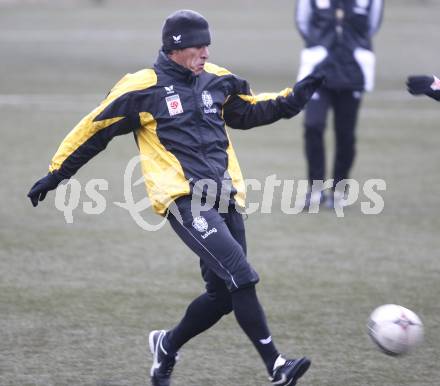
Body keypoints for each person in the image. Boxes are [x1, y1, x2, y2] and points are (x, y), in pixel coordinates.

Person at [27, 10, 324, 386]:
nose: (205, 52)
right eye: (198, 46)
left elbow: (249, 112)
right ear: (176, 48)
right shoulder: (142, 87)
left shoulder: (217, 80)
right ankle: (277, 366)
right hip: (184, 201)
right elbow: (94, 129)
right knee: (241, 275)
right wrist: (56, 174)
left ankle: (166, 346)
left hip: (225, 197)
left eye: (207, 45)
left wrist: (293, 98)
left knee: (223, 296)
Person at [295, 0, 384, 208]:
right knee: (312, 125)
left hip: (353, 71)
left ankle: (339, 190)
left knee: (345, 134)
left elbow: (372, 26)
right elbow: (302, 23)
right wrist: (321, 44)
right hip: (318, 69)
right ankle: (315, 189)